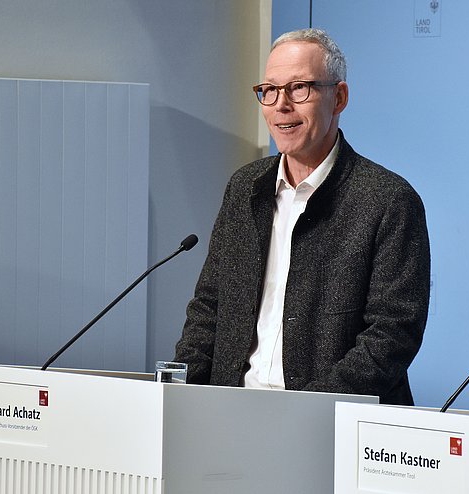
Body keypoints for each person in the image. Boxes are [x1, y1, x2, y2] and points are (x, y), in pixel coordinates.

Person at [174, 28, 430, 405]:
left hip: (335, 426)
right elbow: (210, 307)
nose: (281, 105)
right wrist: (181, 397)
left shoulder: (389, 200)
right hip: (231, 414)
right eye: (270, 90)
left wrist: (306, 411)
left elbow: (392, 334)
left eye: (299, 88)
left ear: (338, 97)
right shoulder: (245, 188)